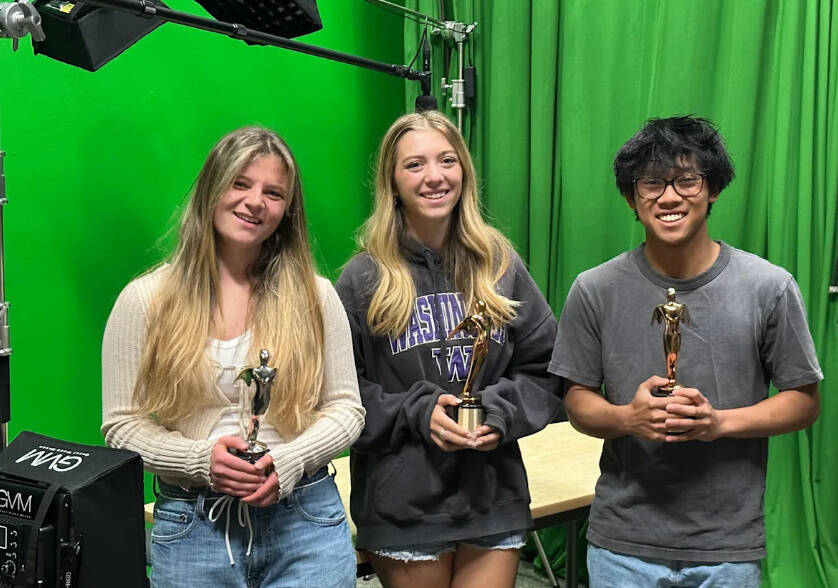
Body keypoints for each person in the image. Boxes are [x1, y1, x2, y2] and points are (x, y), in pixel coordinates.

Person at [549, 115, 822, 587]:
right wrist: (628, 418)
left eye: (687, 180)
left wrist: (718, 423)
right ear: (631, 197)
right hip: (622, 543)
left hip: (728, 547)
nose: (669, 197)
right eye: (652, 183)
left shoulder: (769, 287)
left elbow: (803, 401)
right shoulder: (594, 289)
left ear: (712, 189)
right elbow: (577, 401)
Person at [102, 126, 364, 587]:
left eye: (273, 193)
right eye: (240, 183)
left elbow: (347, 409)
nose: (255, 202)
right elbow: (122, 426)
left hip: (305, 520)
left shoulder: (315, 296)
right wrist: (200, 460)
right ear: (211, 188)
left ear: (287, 210)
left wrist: (291, 459)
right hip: (193, 525)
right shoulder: (144, 300)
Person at [335, 111, 562, 588]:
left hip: (491, 495)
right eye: (414, 164)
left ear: (464, 171)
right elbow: (341, 394)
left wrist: (498, 412)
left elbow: (546, 368)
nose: (434, 176)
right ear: (392, 183)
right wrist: (419, 413)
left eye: (447, 160)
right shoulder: (363, 278)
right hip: (404, 507)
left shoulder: (500, 264)